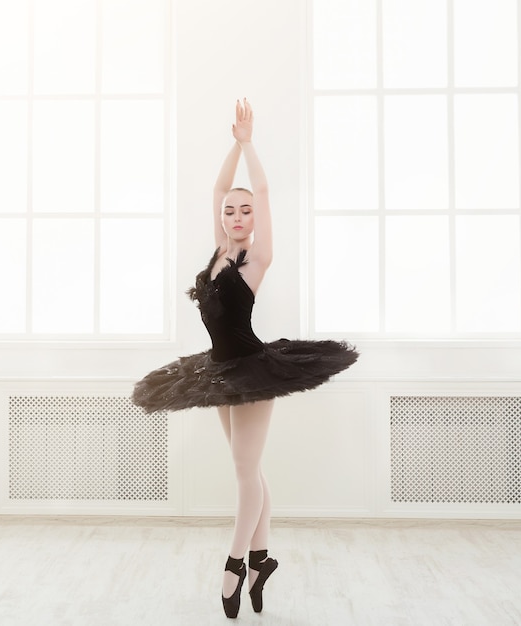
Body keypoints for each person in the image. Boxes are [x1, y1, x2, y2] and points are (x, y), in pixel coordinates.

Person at [132, 98, 359, 619]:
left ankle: (235, 563)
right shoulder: (218, 254)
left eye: (245, 211)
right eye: (230, 212)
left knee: (243, 471)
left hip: (252, 370)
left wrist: (251, 144)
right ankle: (261, 558)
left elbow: (261, 190)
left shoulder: (257, 257)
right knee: (249, 471)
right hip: (217, 371)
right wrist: (232, 144)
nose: (236, 215)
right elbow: (218, 189)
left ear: (255, 218)